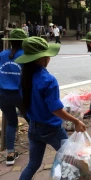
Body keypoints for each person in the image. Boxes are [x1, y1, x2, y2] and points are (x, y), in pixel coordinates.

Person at [15, 37, 86, 179]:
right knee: (71, 160)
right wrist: (76, 121)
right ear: (42, 58)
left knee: (33, 164)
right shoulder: (49, 80)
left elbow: (23, 103)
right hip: (52, 129)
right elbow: (56, 110)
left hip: (33, 128)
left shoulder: (24, 77)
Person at [0, 29, 28, 165]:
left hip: (3, 96)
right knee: (32, 119)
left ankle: (10, 153)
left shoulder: (2, 55)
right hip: (20, 96)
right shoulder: (25, 55)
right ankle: (37, 145)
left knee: (12, 123)